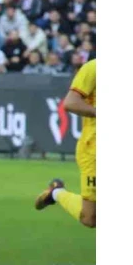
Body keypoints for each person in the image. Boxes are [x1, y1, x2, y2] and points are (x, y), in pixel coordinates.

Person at [34, 59, 96, 228]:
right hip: (94, 151)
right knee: (90, 218)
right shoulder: (93, 68)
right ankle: (56, 193)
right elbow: (70, 103)